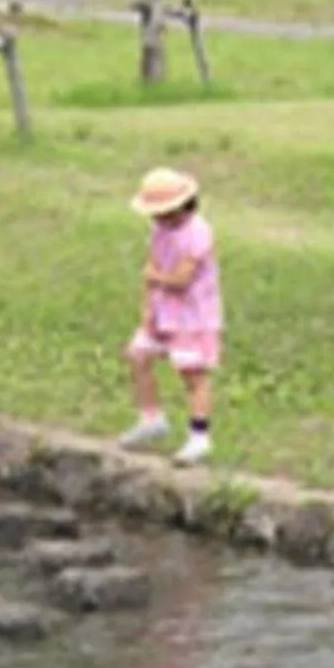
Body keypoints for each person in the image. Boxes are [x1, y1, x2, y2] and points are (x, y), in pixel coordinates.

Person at [114, 167, 223, 467]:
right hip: (164, 311)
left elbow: (180, 279)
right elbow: (152, 270)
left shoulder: (197, 233)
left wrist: (156, 278)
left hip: (193, 315)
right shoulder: (159, 231)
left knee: (193, 374)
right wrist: (148, 308)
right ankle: (151, 418)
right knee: (138, 355)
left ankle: (199, 436)